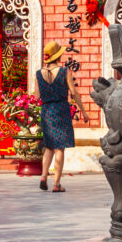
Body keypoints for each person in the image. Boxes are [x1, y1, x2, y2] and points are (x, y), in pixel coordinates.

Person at [36, 42, 75, 192]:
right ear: (58, 56)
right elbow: (73, 92)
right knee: (59, 148)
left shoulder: (39, 73)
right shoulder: (64, 71)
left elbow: (37, 95)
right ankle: (57, 184)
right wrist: (83, 111)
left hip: (46, 110)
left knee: (49, 146)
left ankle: (43, 176)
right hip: (61, 109)